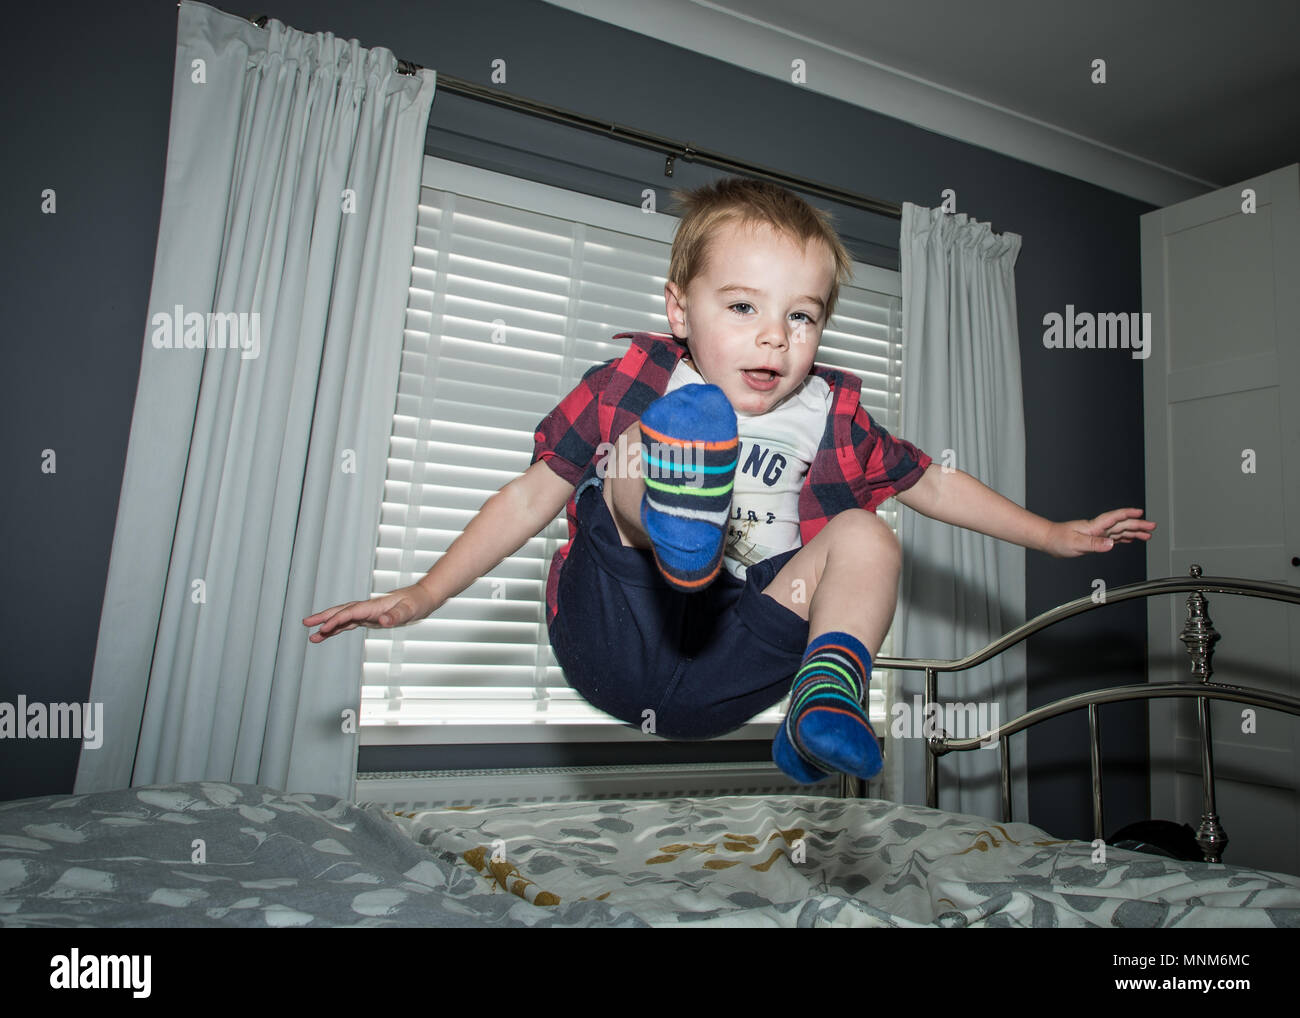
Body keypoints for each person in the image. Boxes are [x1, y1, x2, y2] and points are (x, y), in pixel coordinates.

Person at [304, 177, 1155, 783]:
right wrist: (422, 595)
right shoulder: (632, 385)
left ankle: (826, 700)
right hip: (616, 632)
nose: (775, 339)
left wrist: (1053, 534)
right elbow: (533, 494)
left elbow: (929, 481)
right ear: (682, 310)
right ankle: (671, 526)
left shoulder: (830, 413)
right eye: (743, 307)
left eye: (801, 316)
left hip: (731, 659)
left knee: (866, 531)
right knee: (633, 453)